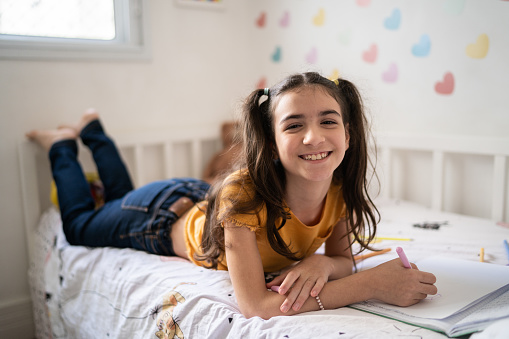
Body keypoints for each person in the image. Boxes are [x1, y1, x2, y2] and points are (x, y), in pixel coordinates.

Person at [27, 72, 437, 320]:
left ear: (347, 134)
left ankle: (94, 131)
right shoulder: (244, 193)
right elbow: (256, 306)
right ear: (272, 143)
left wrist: (320, 262)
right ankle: (64, 143)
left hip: (204, 203)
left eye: (328, 121)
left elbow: (344, 259)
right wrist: (372, 286)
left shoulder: (340, 189)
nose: (314, 137)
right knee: (80, 225)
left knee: (117, 199)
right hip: (156, 219)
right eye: (294, 125)